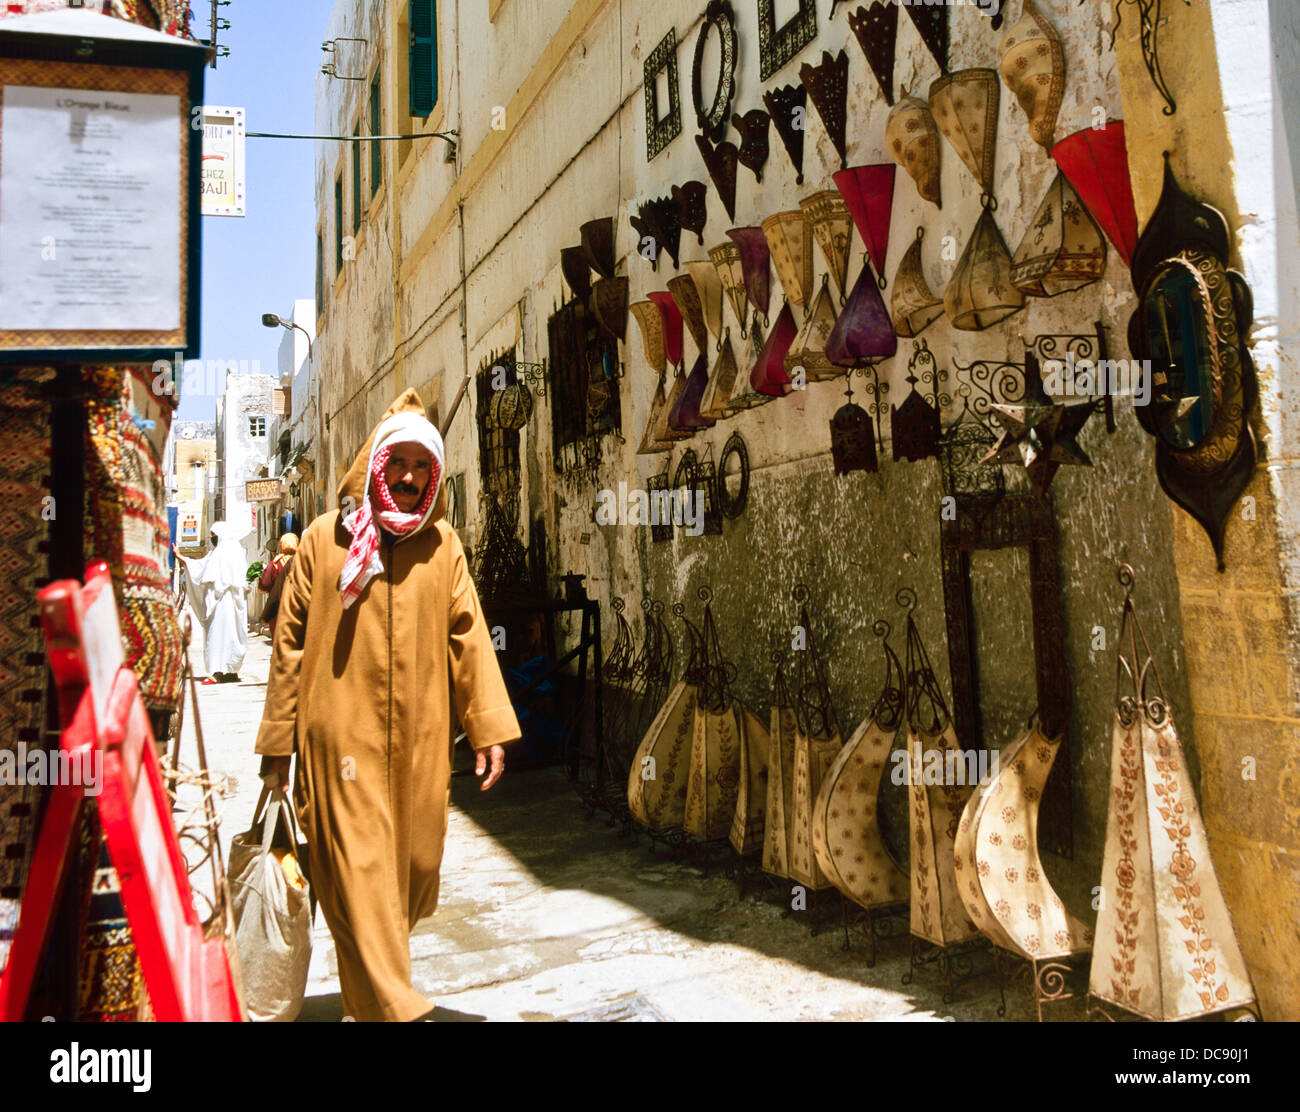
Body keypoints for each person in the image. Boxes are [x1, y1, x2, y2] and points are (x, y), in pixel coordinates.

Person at [254, 390, 520, 1022]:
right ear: (374, 466)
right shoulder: (325, 541)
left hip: (422, 745)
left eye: (420, 466)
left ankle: (369, 1002)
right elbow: (289, 647)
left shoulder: (442, 545)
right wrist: (277, 751)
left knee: (410, 871)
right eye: (395, 462)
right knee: (361, 873)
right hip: (338, 741)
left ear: (434, 475)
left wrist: (486, 727)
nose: (406, 477)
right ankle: (404, 1010)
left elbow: (469, 634)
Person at [174, 521, 248, 684]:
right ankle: (230, 671)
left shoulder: (220, 554)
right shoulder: (236, 553)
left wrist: (182, 558)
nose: (211, 538)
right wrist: (183, 558)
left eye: (213, 536)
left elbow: (202, 571)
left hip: (222, 604)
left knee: (219, 635)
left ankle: (219, 672)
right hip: (231, 604)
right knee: (230, 635)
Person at [257, 532, 299, 638]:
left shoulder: (275, 564)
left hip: (278, 608)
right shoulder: (301, 561)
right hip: (297, 607)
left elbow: (265, 584)